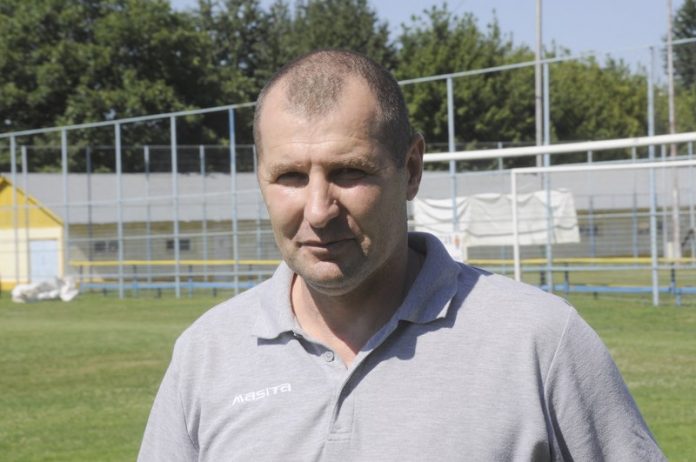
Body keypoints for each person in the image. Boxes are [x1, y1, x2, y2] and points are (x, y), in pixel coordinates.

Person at [138, 49, 665, 461]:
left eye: (350, 172)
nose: (318, 210)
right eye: (291, 177)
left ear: (411, 169)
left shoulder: (539, 342)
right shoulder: (207, 354)